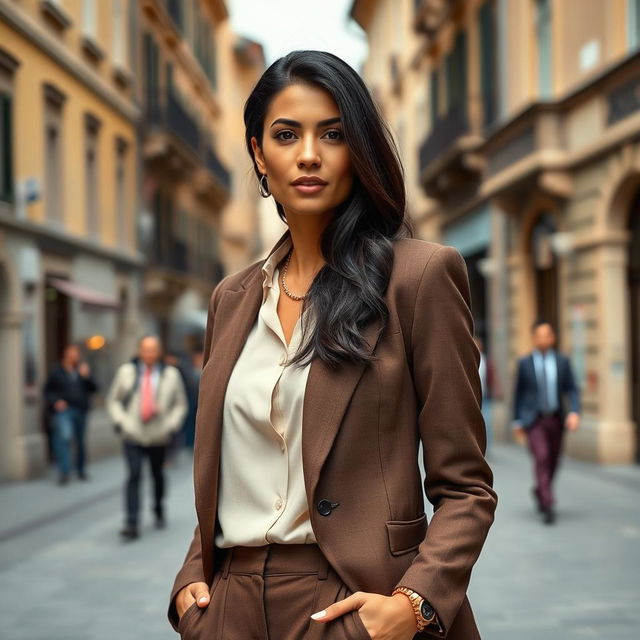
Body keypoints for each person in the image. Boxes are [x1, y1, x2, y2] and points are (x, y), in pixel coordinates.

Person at [168, 50, 496, 640]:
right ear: (257, 153)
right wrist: (194, 578)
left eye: (334, 134)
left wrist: (414, 603)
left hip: (354, 605)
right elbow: (228, 467)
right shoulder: (233, 298)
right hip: (230, 611)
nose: (309, 154)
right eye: (286, 134)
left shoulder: (419, 278)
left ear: (359, 150)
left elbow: (466, 486)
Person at [106, 335, 188, 541]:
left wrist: (171, 424)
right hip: (133, 434)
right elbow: (113, 400)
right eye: (146, 349)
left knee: (157, 474)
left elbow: (180, 403)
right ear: (140, 351)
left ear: (158, 352)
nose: (149, 354)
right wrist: (122, 421)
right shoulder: (127, 372)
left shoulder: (171, 374)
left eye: (153, 350)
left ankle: (158, 507)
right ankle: (131, 522)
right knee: (134, 475)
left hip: (159, 435)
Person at [512, 320, 581, 524]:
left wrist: (574, 411)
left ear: (553, 338)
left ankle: (540, 490)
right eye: (539, 335)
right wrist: (517, 420)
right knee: (541, 456)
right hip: (534, 420)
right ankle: (548, 502)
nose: (543, 339)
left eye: (547, 335)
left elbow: (572, 388)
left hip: (556, 419)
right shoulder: (524, 363)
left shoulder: (562, 361)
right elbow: (519, 393)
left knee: (553, 460)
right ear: (534, 338)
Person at [43, 343, 98, 485]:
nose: (74, 357)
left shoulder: (82, 370)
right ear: (66, 355)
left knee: (80, 441)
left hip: (81, 410)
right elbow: (48, 391)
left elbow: (95, 388)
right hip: (65, 411)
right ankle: (64, 471)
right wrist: (55, 402)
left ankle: (80, 470)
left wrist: (87, 377)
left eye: (76, 354)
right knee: (64, 438)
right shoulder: (57, 371)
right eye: (71, 354)